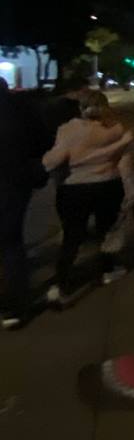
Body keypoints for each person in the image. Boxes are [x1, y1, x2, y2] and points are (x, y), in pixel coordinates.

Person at [41, 91, 134, 306]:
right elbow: (122, 160)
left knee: (72, 237)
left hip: (75, 190)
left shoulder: (69, 130)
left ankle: (61, 285)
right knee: (106, 229)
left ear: (81, 107)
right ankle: (108, 269)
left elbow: (53, 161)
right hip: (109, 185)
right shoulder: (116, 128)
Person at [1, 79, 50, 329]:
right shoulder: (21, 107)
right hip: (13, 182)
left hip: (13, 180)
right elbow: (43, 141)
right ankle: (14, 309)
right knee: (11, 243)